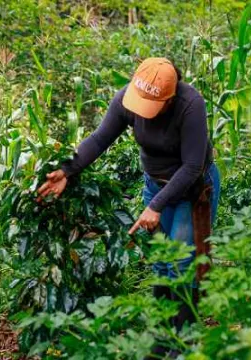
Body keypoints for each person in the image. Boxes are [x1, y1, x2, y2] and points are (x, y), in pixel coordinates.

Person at [36, 57, 221, 335]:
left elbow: (193, 166)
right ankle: (161, 338)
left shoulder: (190, 105)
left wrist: (156, 206)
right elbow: (100, 139)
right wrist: (67, 170)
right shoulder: (127, 98)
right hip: (155, 184)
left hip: (191, 189)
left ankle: (184, 341)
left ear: (169, 100)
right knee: (161, 259)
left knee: (181, 263)